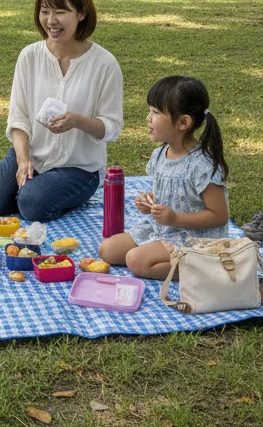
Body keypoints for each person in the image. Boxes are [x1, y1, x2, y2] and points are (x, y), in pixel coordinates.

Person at [0, 0, 123, 222]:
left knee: (32, 205)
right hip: (33, 156)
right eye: (45, 11)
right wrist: (23, 159)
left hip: (79, 169)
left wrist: (77, 121)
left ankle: (27, 191)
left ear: (81, 13)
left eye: (60, 12)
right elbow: (18, 119)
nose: (51, 21)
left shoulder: (104, 63)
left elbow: (112, 128)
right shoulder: (29, 56)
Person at [98, 75, 229, 280]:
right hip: (164, 229)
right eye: (150, 110)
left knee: (136, 261)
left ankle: (208, 269)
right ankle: (172, 260)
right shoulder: (160, 154)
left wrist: (176, 218)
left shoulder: (201, 165)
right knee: (107, 250)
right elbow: (172, 195)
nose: (148, 118)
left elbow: (219, 216)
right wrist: (150, 203)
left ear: (183, 122)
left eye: (156, 112)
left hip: (196, 239)